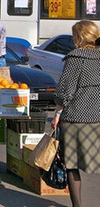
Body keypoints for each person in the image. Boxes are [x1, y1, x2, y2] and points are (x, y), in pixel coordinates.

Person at [51, 20, 100, 207]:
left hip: (75, 119)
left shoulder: (76, 58)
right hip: (97, 118)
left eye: (73, 35)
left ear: (79, 37)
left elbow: (65, 91)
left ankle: (77, 206)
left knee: (72, 165)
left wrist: (57, 114)